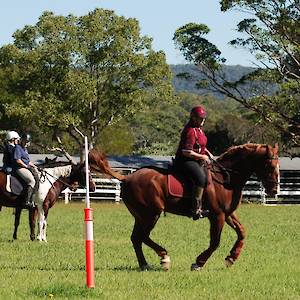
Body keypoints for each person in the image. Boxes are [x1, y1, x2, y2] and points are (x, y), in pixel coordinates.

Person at [174, 105, 212, 220]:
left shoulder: (199, 129)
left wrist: (208, 153)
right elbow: (186, 151)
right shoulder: (190, 131)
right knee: (200, 178)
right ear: (193, 118)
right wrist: (202, 156)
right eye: (201, 118)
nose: (203, 120)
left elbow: (200, 146)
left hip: (196, 159)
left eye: (204, 118)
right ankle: (196, 209)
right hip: (185, 160)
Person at [13, 133, 37, 208]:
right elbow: (18, 160)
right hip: (20, 168)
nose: (27, 143)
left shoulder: (25, 149)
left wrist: (35, 166)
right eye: (25, 141)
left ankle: (33, 199)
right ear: (22, 140)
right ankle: (27, 201)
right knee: (32, 181)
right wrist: (26, 166)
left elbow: (28, 161)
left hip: (26, 166)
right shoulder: (18, 148)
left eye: (28, 142)